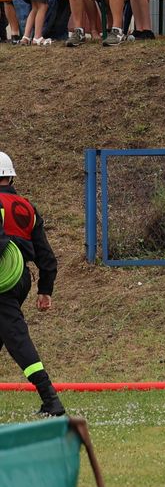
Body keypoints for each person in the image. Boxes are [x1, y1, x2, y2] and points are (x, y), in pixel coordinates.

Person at [0, 154, 64, 416]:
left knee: (17, 339)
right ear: (11, 176)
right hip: (21, 278)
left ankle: (50, 398)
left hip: (3, 281)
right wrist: (45, 290)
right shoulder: (27, 207)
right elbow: (46, 256)